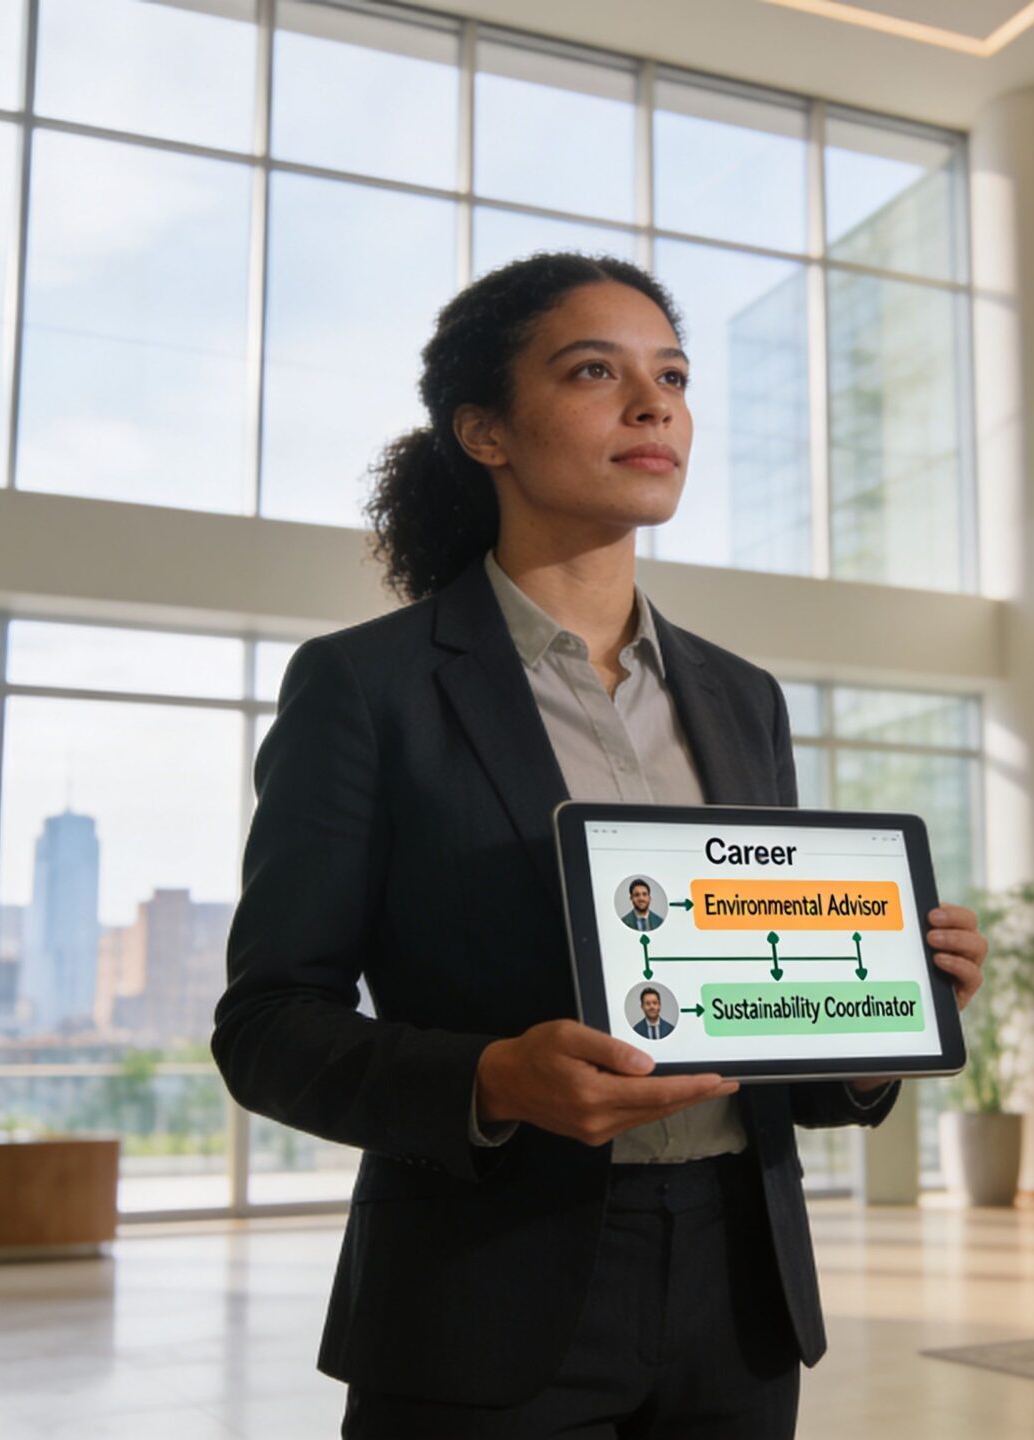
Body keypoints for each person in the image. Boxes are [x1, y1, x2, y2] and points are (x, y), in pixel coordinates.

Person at [214, 252, 988, 1438]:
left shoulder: (745, 698)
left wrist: (878, 1019)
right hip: (483, 1291)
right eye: (596, 371)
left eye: (671, 375)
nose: (655, 404)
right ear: (486, 432)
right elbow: (266, 1025)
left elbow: (762, 1009)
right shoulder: (365, 687)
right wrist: (490, 1081)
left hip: (740, 1287)